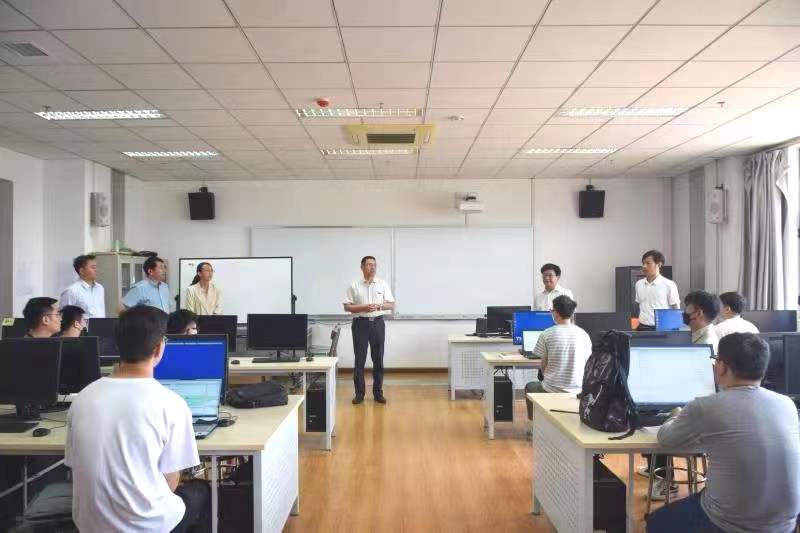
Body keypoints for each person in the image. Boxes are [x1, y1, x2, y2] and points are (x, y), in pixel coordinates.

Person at [65, 305, 210, 532]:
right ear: (159, 347)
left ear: (118, 345)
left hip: (90, 525)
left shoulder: (82, 398)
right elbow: (171, 481)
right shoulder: (171, 403)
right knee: (201, 490)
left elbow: (75, 466)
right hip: (149, 526)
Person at [647, 333, 800, 533]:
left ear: (721, 367)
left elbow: (666, 439)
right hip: (785, 526)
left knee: (655, 521)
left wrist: (676, 414)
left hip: (727, 525)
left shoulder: (707, 406)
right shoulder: (786, 404)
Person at [524, 295, 592, 432]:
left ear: (555, 313)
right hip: (578, 390)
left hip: (552, 389)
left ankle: (533, 427)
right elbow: (588, 363)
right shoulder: (583, 334)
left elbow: (543, 365)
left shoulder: (547, 334)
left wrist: (546, 374)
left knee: (530, 386)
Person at [343, 256, 395, 405]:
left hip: (377, 324)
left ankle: (378, 393)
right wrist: (363, 308)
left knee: (378, 360)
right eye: (369, 265)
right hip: (360, 324)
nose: (372, 267)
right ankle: (359, 394)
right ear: (362, 267)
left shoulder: (382, 284)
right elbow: (347, 307)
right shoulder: (354, 285)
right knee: (359, 360)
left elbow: (391, 305)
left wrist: (379, 306)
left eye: (374, 265)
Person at [635, 250, 680, 330]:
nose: (644, 266)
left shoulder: (669, 284)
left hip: (662, 328)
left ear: (659, 264)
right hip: (642, 327)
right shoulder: (639, 284)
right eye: (643, 263)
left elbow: (675, 308)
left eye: (648, 263)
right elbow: (640, 305)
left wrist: (676, 329)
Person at [60, 254, 106, 319]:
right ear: (81, 271)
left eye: (96, 267)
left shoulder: (100, 288)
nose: (96, 270)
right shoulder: (71, 291)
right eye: (93, 267)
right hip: (82, 325)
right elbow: (64, 316)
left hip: (101, 325)